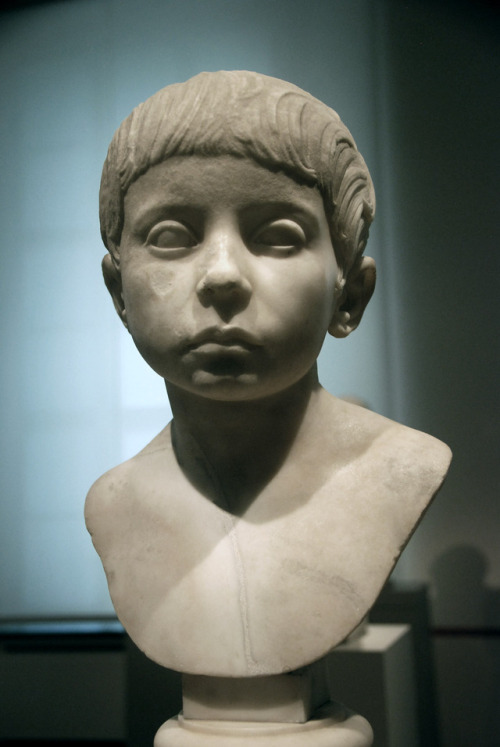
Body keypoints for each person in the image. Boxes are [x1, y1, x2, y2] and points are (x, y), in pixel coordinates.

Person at [85, 71, 451, 678]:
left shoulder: (404, 468)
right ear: (119, 294)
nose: (223, 275)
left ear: (350, 297)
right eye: (172, 236)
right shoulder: (111, 503)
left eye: (278, 237)